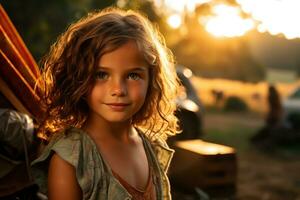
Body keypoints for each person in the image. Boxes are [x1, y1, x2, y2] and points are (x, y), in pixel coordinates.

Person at [32, 6, 179, 200]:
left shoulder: (151, 146)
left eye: (133, 75)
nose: (118, 89)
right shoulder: (72, 159)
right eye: (101, 75)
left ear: (152, 80)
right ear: (78, 78)